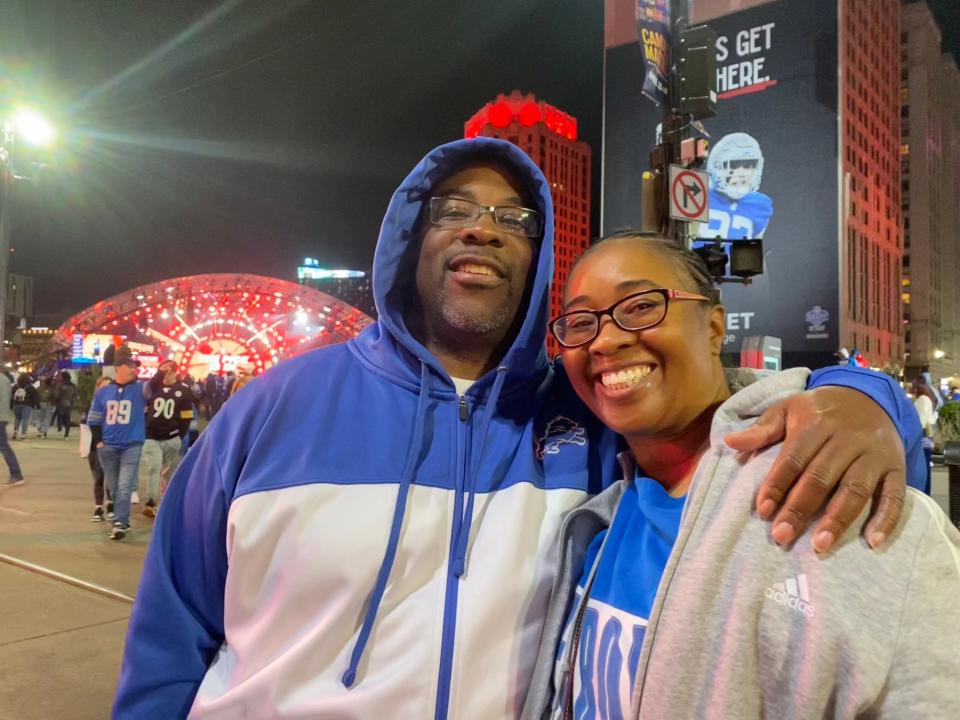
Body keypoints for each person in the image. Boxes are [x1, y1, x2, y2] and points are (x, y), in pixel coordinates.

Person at [114, 139, 918, 718]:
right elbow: (170, 635)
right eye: (453, 210)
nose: (481, 227)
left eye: (513, 217)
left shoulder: (587, 417)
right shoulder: (274, 405)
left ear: (535, 264)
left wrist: (864, 398)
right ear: (408, 242)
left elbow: (724, 413)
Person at [522, 233, 954, 719]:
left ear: (714, 325)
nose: (605, 339)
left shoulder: (836, 493)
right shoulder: (599, 511)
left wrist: (868, 396)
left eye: (642, 306)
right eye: (581, 322)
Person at [88, 349, 163, 540]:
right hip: (108, 447)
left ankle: (121, 523)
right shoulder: (104, 392)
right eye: (130, 367)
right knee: (113, 487)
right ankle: (119, 517)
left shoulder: (139, 389)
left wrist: (162, 371)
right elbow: (94, 420)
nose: (133, 371)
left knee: (124, 485)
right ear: (119, 368)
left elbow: (153, 386)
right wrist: (99, 442)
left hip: (131, 445)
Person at [140, 360, 194, 517]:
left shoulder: (183, 390)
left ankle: (167, 502)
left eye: (168, 371)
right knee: (153, 467)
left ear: (176, 372)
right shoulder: (153, 387)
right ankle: (151, 501)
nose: (165, 374)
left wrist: (179, 436)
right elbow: (144, 402)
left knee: (169, 472)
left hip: (172, 437)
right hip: (152, 436)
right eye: (162, 371)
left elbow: (186, 416)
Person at [86, 375, 114, 522]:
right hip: (95, 447)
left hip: (112, 446)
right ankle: (98, 507)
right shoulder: (92, 405)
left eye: (109, 387)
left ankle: (111, 505)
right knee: (98, 477)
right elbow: (86, 425)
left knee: (110, 477)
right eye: (103, 387)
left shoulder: (117, 405)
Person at [0, 370, 24, 486]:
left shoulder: (2, 380)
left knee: (3, 446)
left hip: (0, 417)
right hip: (2, 416)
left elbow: (3, 401)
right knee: (3, 446)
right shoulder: (4, 379)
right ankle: (16, 474)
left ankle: (16, 474)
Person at [11, 373, 38, 441]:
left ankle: (15, 432)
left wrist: (11, 405)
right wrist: (37, 405)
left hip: (16, 404)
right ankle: (23, 435)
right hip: (27, 405)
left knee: (17, 418)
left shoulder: (15, 386)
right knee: (25, 420)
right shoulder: (30, 387)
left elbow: (12, 396)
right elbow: (35, 397)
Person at [54, 371, 77, 439]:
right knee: (68, 418)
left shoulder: (60, 384)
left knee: (60, 416)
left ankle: (60, 427)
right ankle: (66, 434)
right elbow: (75, 395)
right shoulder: (73, 385)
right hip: (69, 403)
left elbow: (56, 395)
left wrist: (56, 400)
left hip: (61, 403)